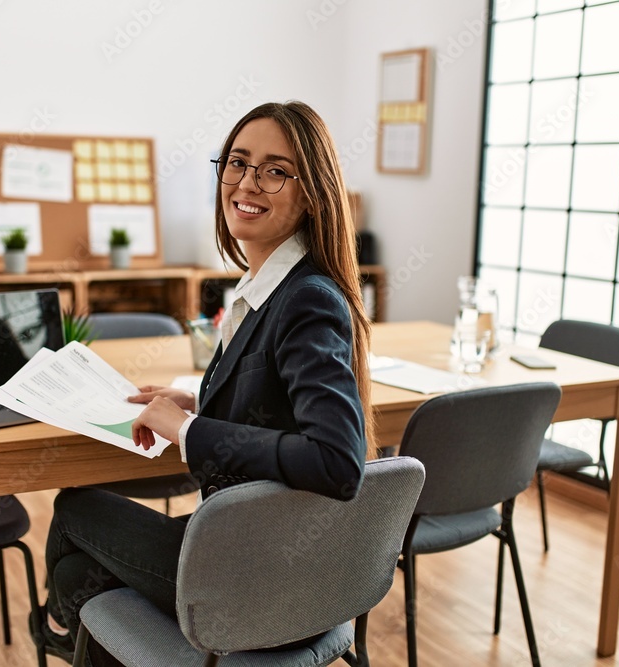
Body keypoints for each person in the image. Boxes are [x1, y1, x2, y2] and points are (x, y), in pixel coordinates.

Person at [33, 100, 378, 664]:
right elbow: (280, 405)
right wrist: (195, 402)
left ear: (312, 191)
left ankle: (63, 631)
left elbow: (337, 462)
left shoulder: (307, 298)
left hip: (266, 580)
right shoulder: (269, 285)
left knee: (75, 509)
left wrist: (190, 429)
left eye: (274, 170)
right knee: (79, 574)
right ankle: (75, 632)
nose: (247, 182)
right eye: (236, 163)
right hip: (265, 552)